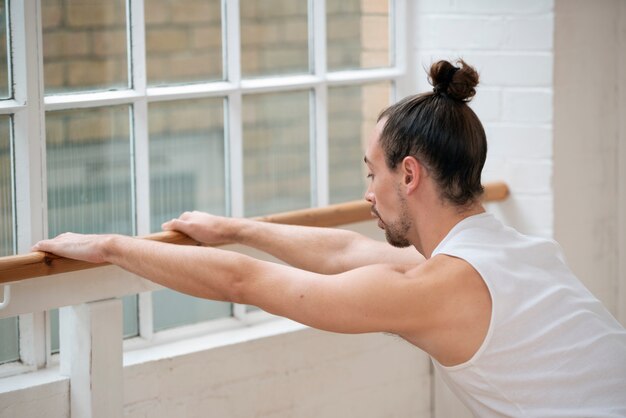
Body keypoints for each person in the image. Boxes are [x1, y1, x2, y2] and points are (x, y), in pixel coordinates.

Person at [33, 60, 626, 417]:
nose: (368, 191)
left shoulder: (441, 285)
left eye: (372, 173)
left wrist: (111, 247)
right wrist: (237, 228)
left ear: (410, 174)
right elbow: (347, 253)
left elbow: (245, 281)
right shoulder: (506, 251)